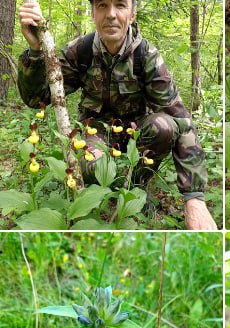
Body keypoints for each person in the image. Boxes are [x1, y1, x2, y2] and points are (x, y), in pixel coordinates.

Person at [17, 0, 217, 230]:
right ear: (93, 14)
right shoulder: (80, 51)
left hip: (136, 129)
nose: (111, 14)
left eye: (120, 5)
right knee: (91, 163)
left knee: (165, 127)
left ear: (132, 14)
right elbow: (37, 98)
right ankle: (106, 194)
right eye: (102, 5)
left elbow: (182, 121)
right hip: (97, 129)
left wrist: (194, 198)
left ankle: (137, 188)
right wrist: (35, 51)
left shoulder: (147, 56)